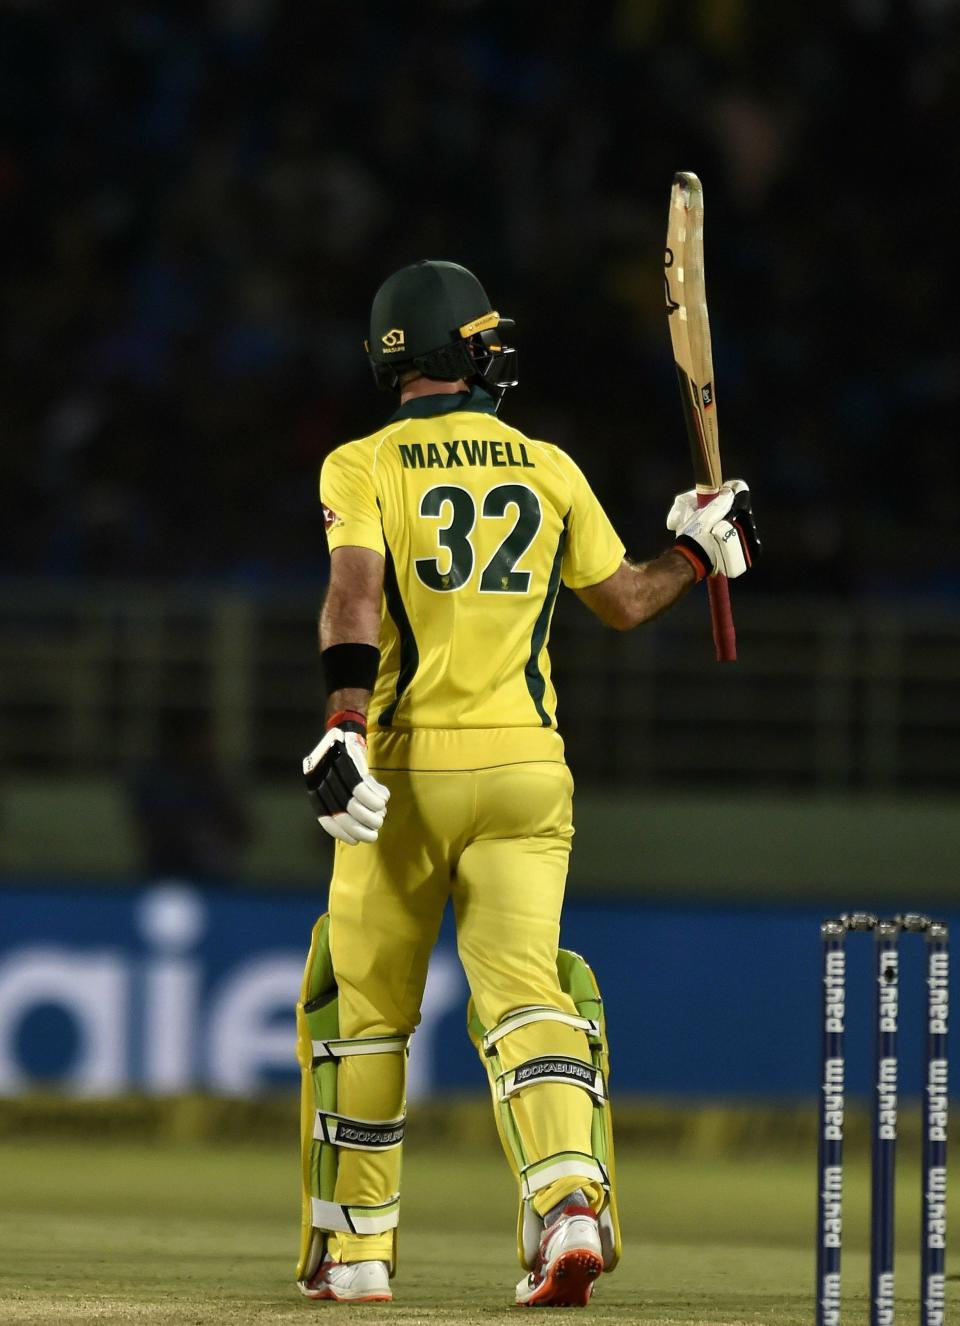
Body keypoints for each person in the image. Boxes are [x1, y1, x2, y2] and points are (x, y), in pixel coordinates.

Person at [294, 260, 759, 1307]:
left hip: (405, 773)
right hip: (526, 772)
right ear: (458, 350)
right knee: (525, 993)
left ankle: (359, 1252)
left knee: (362, 1008)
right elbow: (629, 602)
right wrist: (696, 554)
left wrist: (340, 723)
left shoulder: (359, 465)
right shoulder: (547, 467)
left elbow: (352, 597)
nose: (499, 351)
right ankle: (568, 1210)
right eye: (485, 336)